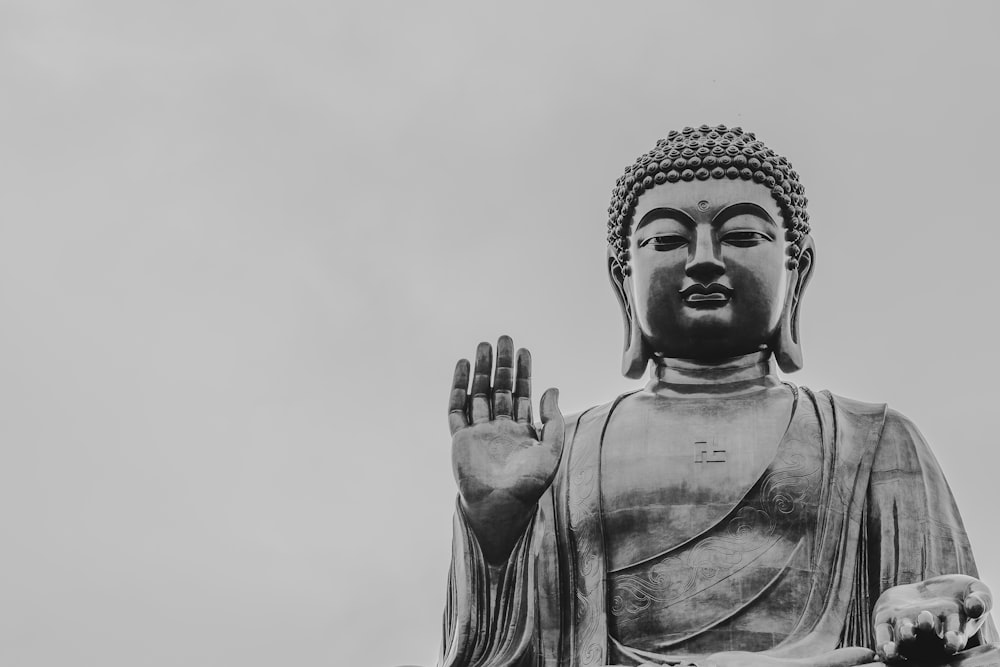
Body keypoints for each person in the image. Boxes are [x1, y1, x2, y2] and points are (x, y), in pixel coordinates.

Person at [440, 125, 997, 667]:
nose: (703, 258)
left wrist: (927, 617)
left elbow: (963, 639)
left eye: (742, 236)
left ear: (795, 270)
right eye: (665, 240)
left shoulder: (872, 438)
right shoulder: (562, 454)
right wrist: (495, 535)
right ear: (622, 279)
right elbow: (496, 657)